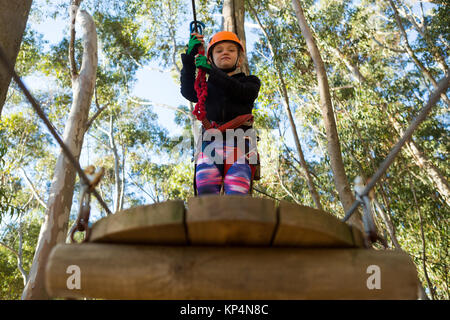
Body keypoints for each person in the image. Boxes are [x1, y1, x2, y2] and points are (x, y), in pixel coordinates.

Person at [180, 31, 261, 196]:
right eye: (219, 50)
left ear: (240, 58)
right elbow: (188, 91)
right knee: (206, 185)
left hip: (241, 140)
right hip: (211, 141)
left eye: (231, 50)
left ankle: (236, 219)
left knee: (237, 187)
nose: (225, 52)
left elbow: (242, 92)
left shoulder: (250, 82)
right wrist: (189, 59)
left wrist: (211, 71)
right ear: (210, 58)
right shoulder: (205, 86)